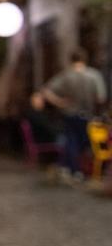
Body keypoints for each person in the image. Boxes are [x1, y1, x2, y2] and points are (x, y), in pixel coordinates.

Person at [41, 47, 107, 180]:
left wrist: (59, 102)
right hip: (88, 115)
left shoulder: (66, 75)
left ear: (71, 60)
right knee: (88, 143)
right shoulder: (93, 75)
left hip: (70, 113)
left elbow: (46, 91)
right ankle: (89, 170)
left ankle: (74, 170)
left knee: (71, 142)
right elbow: (101, 98)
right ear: (85, 59)